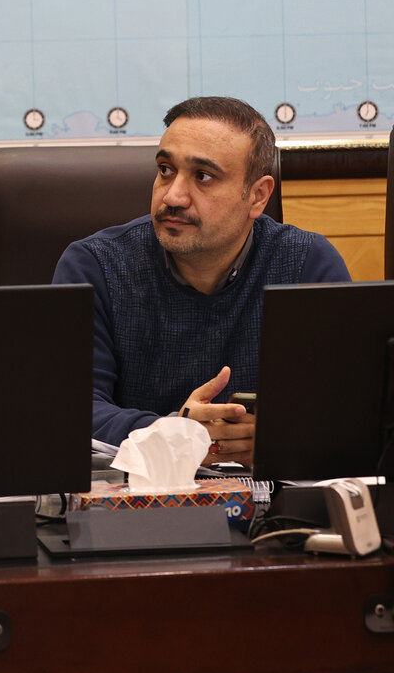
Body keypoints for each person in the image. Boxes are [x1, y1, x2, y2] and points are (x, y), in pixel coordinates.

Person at [52, 96, 351, 466]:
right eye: (165, 170)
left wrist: (279, 438)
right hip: (135, 494)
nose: (173, 196)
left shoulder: (307, 266)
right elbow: (70, 410)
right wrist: (175, 434)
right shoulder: (95, 266)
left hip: (270, 493)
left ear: (257, 196)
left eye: (203, 176)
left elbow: (343, 411)